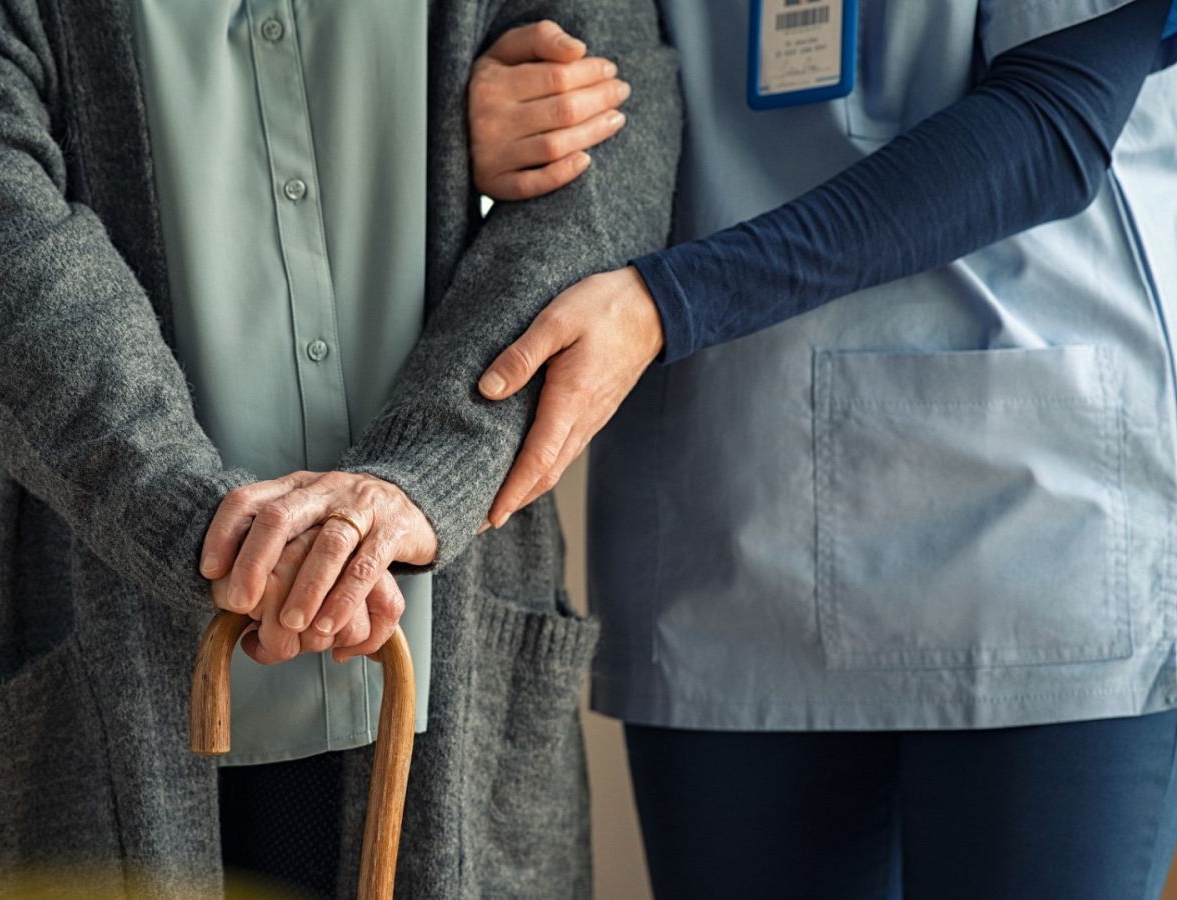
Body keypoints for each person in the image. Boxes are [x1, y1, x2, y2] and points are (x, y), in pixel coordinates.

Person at [0, 0, 678, 896]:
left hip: (437, 637)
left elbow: (611, 152)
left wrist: (426, 475)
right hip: (59, 624)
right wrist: (215, 528)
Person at [465, 2, 1177, 898]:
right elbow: (551, 52)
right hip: (725, 519)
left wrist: (670, 301)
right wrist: (478, 124)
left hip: (1030, 532)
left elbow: (1055, 124)